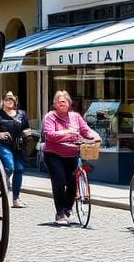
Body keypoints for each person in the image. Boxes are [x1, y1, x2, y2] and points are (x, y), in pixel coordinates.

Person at [41, 90, 100, 225]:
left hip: (72, 154)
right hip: (53, 154)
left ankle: (67, 209)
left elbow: (85, 130)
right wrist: (66, 133)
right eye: (59, 101)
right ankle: (60, 213)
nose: (62, 103)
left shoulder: (76, 117)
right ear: (54, 104)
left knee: (73, 183)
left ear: (69, 103)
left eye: (65, 100)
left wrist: (95, 136)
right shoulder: (50, 117)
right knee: (59, 182)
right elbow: (49, 135)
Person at [0, 92, 32, 208]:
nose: (9, 101)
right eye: (7, 99)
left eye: (11, 100)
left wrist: (27, 134)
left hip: (18, 146)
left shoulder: (21, 114)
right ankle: (3, 181)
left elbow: (26, 128)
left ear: (15, 102)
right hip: (4, 145)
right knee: (9, 167)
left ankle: (16, 199)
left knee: (19, 170)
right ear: (3, 101)